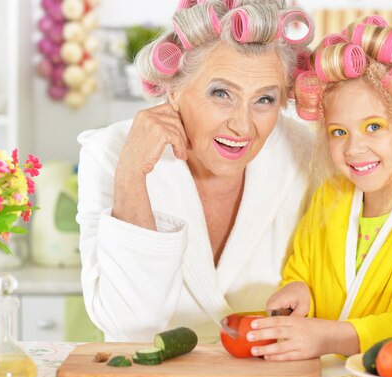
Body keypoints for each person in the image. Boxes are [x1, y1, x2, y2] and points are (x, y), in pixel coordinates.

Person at [76, 0, 316, 342]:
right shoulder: (111, 152)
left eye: (264, 99)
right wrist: (131, 174)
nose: (242, 125)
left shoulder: (303, 153)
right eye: (222, 93)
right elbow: (129, 325)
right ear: (173, 89)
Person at [246, 17, 392, 360]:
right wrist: (297, 289)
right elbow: (302, 266)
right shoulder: (333, 195)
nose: (354, 148)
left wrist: (327, 338)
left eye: (374, 126)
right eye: (339, 132)